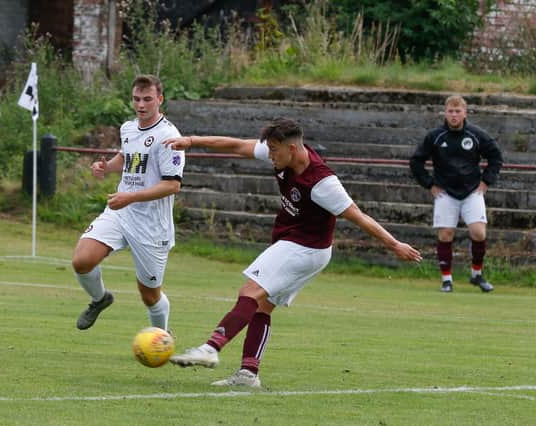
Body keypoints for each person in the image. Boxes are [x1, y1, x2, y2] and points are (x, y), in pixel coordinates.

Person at [162, 118, 422, 387]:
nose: (270, 155)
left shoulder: (323, 183)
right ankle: (248, 374)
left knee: (249, 292)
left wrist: (394, 245)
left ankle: (210, 348)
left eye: (274, 150)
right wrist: (192, 142)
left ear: (293, 149)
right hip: (301, 246)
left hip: (305, 248)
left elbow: (357, 216)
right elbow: (238, 146)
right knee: (262, 305)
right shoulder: (283, 154)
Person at [71, 74, 185, 332]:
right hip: (120, 213)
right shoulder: (128, 128)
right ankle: (100, 299)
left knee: (149, 295)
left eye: (147, 99)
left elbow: (172, 185)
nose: (141, 105)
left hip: (151, 225)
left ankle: (160, 336)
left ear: (160, 99)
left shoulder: (169, 137)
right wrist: (106, 167)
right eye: (136, 99)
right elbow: (127, 157)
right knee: (82, 260)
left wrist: (130, 197)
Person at [410, 95, 503, 293]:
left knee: (479, 232)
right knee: (445, 234)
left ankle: (476, 275)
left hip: (471, 191)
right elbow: (416, 162)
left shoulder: (476, 135)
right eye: (450, 111)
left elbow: (496, 157)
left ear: (464, 113)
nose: (454, 115)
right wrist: (430, 184)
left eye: (457, 111)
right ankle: (447, 280)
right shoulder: (435, 136)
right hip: (445, 192)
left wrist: (486, 181)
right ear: (445, 113)